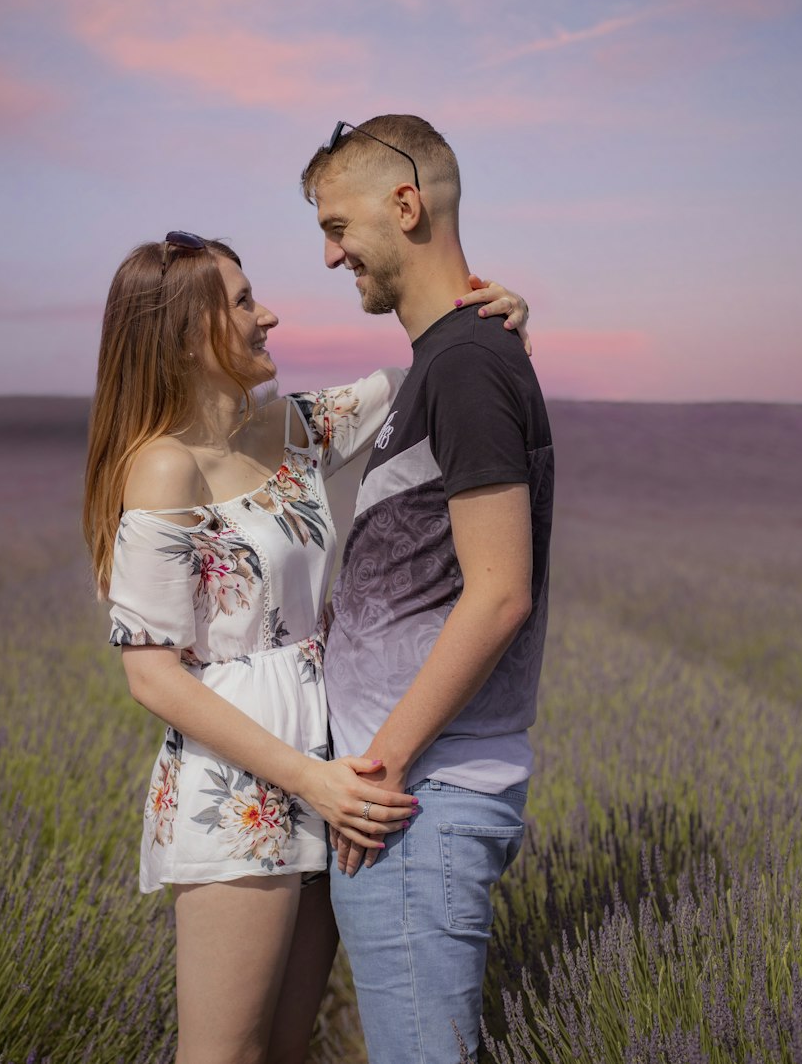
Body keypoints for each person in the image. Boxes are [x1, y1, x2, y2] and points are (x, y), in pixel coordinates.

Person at [82, 232, 531, 1064]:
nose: (271, 314)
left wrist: (494, 320)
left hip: (325, 753)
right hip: (242, 781)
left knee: (290, 1048)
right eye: (244, 302)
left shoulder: (290, 427)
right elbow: (151, 676)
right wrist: (310, 781)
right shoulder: (162, 470)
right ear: (186, 335)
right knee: (225, 1055)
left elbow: (430, 381)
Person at [300, 115, 554, 1064]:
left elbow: (499, 594)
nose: (330, 256)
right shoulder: (458, 357)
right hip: (413, 799)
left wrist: (382, 769)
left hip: (416, 803)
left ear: (405, 206)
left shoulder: (466, 363)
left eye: (337, 227)